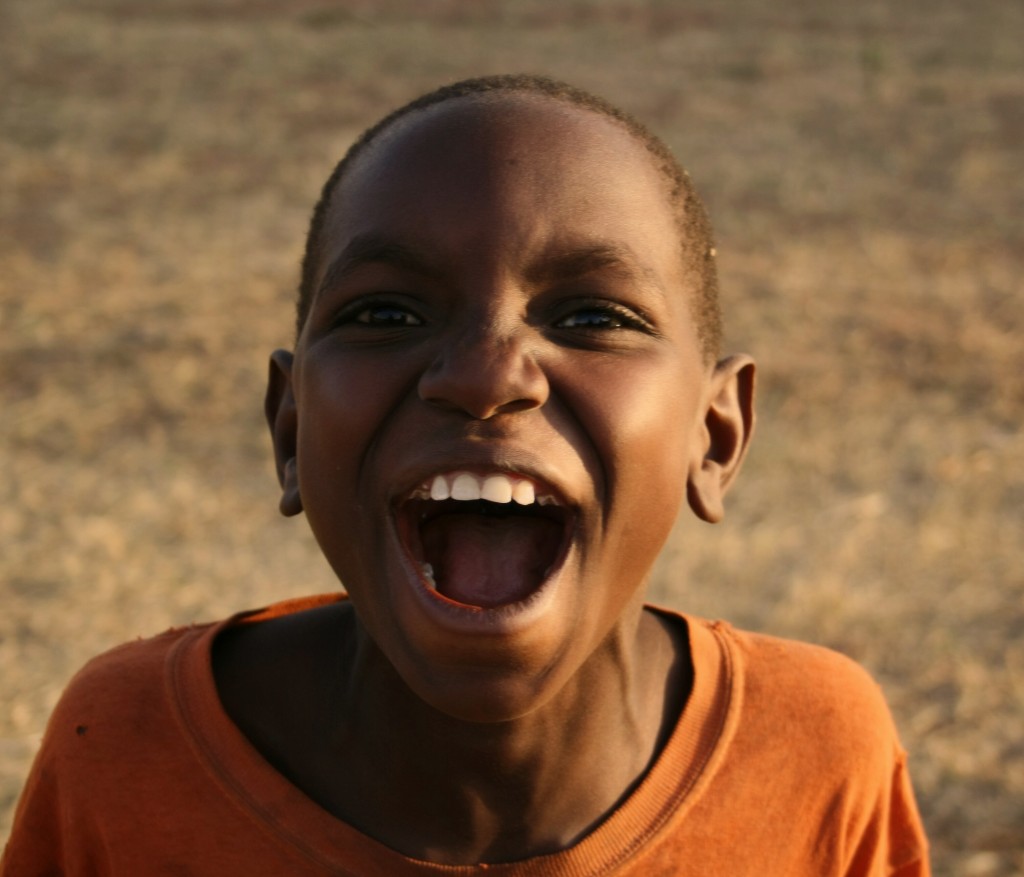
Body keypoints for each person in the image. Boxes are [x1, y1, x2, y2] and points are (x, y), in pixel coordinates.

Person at [2, 75, 930, 875]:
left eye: (593, 315)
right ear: (290, 429)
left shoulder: (814, 751)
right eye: (387, 315)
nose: (485, 378)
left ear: (716, 436)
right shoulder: (130, 751)